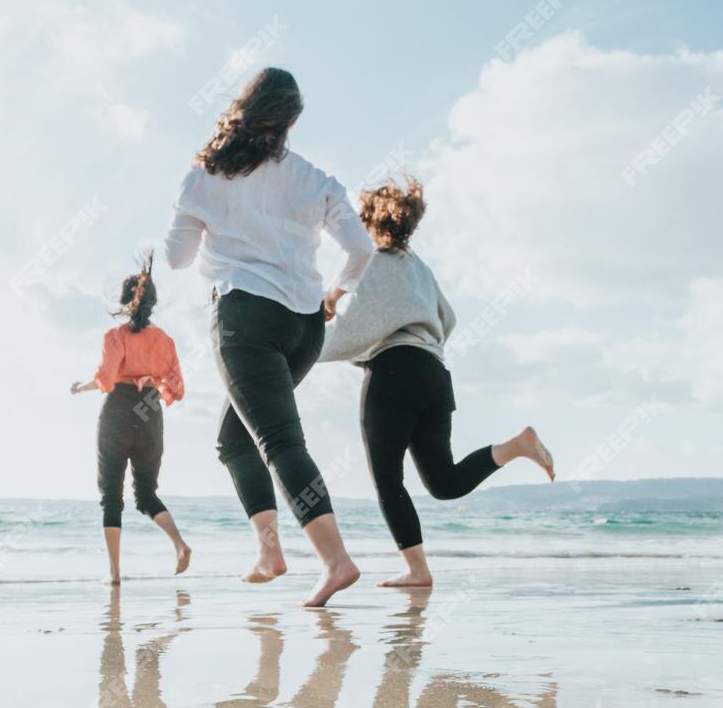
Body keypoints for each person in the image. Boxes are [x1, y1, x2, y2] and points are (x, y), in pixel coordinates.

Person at [163, 67, 370, 607]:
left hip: (245, 317)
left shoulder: (205, 174)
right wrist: (335, 294)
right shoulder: (315, 178)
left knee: (279, 443)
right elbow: (361, 250)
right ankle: (270, 553)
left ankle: (335, 561)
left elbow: (177, 259)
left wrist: (197, 212)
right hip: (305, 326)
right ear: (291, 121)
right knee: (236, 440)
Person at [319, 176, 554, 587]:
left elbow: (351, 330)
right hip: (434, 374)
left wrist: (303, 349)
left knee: (389, 481)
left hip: (391, 375)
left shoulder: (371, 262)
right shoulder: (420, 268)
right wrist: (423, 339)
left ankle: (417, 570)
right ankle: (517, 445)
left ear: (368, 223)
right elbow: (449, 317)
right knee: (444, 483)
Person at [71, 253, 192, 584]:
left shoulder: (116, 337)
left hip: (118, 412)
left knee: (112, 494)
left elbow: (105, 379)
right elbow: (177, 388)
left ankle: (114, 574)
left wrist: (79, 388)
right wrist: (152, 385)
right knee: (146, 494)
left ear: (126, 302)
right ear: (152, 303)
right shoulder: (164, 340)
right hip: (150, 413)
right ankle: (180, 545)